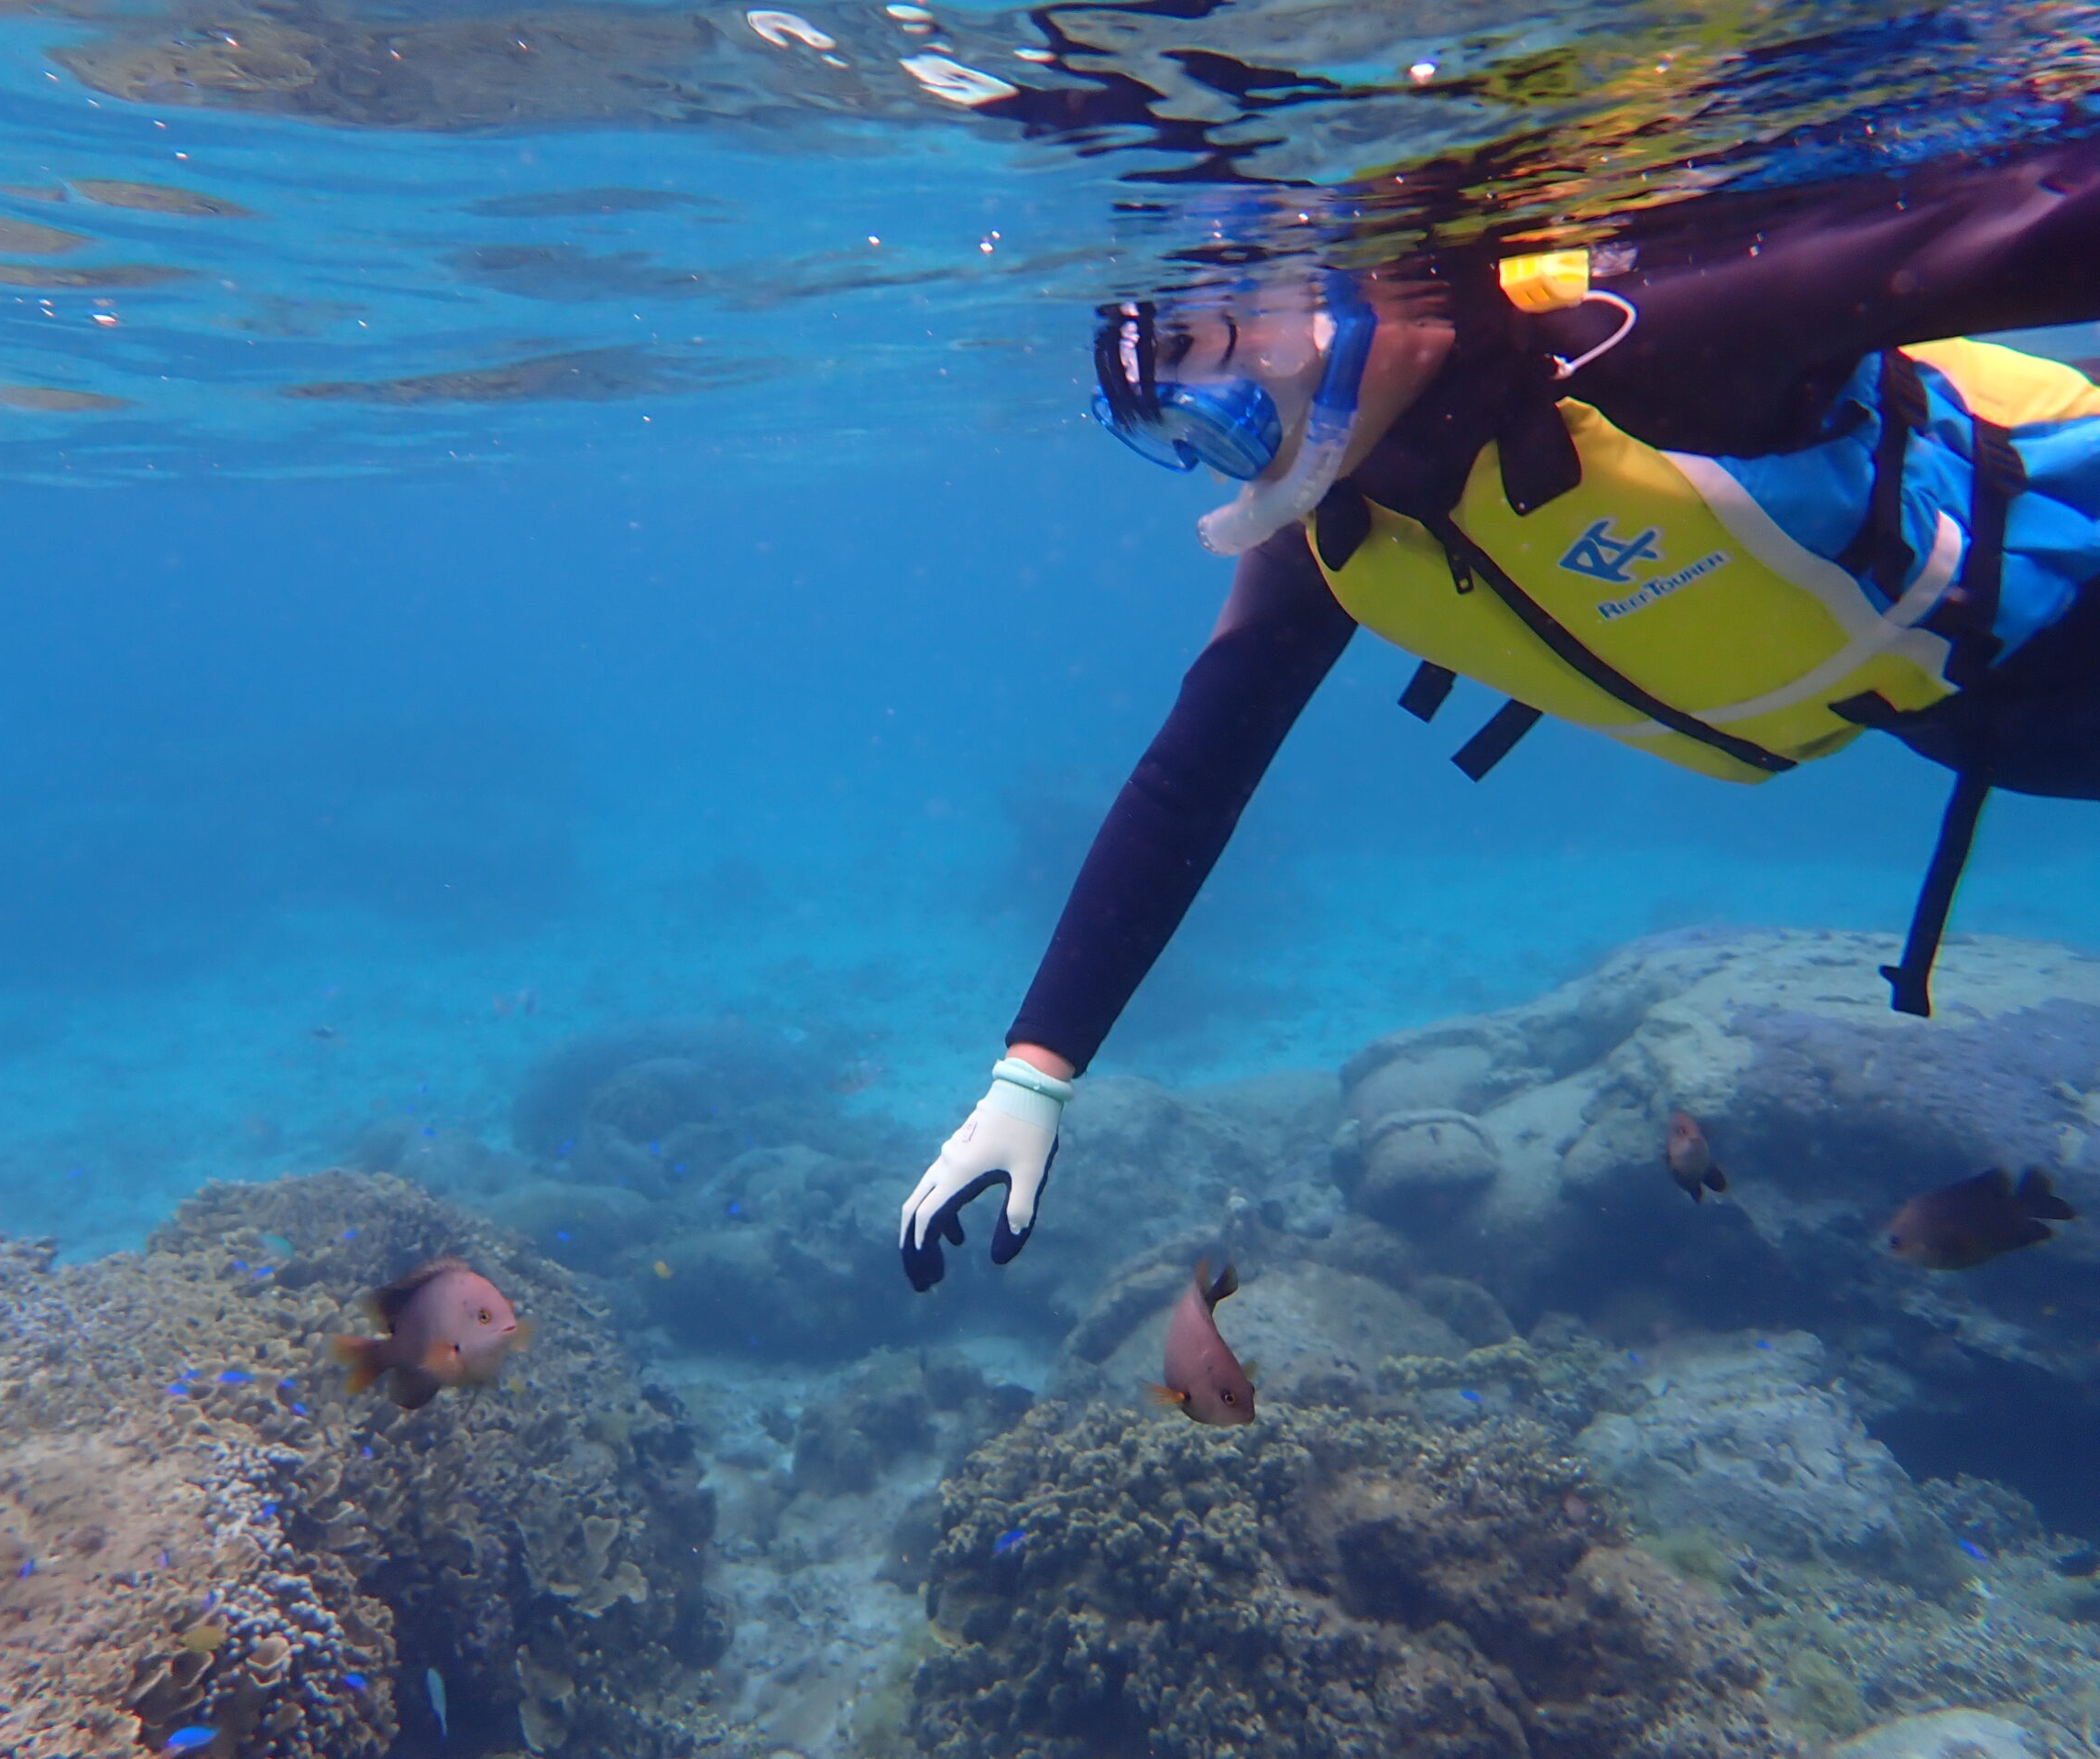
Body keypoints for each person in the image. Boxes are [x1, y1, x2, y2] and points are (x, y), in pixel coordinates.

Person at [900, 136, 2100, 1293]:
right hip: (1958, 717)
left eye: (1220, 363)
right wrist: (1034, 1078)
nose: (1235, 448)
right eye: (1184, 428)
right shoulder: (1346, 533)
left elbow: (2035, 221)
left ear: (1348, 284)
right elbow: (1189, 776)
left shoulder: (1659, 338)